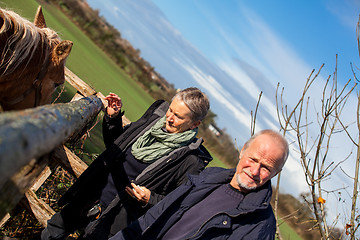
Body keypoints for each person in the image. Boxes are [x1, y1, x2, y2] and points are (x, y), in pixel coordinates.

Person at [41, 87, 212, 239]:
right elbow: (116, 144)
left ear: (195, 123)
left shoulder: (191, 160)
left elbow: (178, 203)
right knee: (51, 232)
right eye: (170, 110)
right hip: (90, 194)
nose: (169, 118)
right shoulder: (153, 121)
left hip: (111, 222)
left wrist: (150, 199)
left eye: (178, 116)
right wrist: (113, 118)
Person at [110, 129, 289, 240]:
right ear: (242, 151)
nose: (255, 170)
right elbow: (152, 217)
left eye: (266, 167)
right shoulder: (207, 177)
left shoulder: (261, 225)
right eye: (253, 159)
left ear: (276, 173)